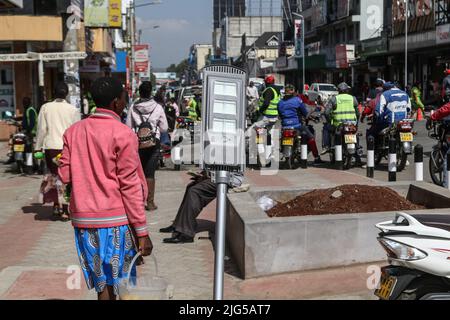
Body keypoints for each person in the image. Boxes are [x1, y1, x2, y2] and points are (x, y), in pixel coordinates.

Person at [58, 77, 152, 301]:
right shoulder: (123, 134)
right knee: (120, 284)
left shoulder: (73, 132)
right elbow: (129, 186)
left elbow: (64, 175)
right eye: (123, 97)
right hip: (116, 222)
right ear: (116, 103)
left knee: (103, 286)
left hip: (85, 222)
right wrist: (142, 232)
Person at [35, 82, 80, 221]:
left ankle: (55, 206)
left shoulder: (46, 107)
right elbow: (76, 131)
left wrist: (38, 146)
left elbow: (41, 129)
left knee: (53, 176)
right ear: (66, 93)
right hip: (67, 148)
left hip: (51, 148)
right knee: (66, 177)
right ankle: (65, 210)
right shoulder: (73, 109)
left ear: (53, 93)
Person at [159, 171, 244, 244]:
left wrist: (207, 176)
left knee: (194, 192)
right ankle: (178, 225)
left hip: (228, 179)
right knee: (191, 187)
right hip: (219, 177)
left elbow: (223, 168)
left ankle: (187, 233)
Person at [126, 81, 168, 211]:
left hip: (137, 144)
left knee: (137, 173)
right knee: (150, 173)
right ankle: (150, 202)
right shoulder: (158, 107)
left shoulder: (133, 107)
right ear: (151, 92)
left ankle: (138, 202)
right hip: (153, 143)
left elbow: (128, 126)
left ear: (140, 92)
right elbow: (164, 128)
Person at [277, 84, 323, 165]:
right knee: (310, 137)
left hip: (285, 126)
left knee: (281, 136)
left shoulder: (280, 103)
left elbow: (280, 115)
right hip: (296, 125)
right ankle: (316, 157)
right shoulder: (297, 100)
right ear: (293, 92)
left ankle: (283, 149)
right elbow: (305, 113)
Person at [322, 82, 359, 154]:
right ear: (347, 90)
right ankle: (357, 149)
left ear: (338, 91)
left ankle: (326, 146)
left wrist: (329, 121)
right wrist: (356, 123)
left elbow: (326, 112)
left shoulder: (334, 99)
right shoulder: (353, 98)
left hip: (338, 125)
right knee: (355, 134)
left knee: (326, 128)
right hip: (351, 125)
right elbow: (357, 113)